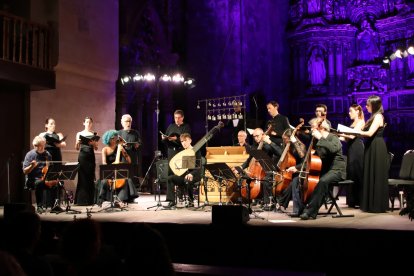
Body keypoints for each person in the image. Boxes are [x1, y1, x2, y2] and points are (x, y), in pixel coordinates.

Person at [299, 118, 346, 220]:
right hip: (326, 170)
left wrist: (320, 138)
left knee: (323, 181)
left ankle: (310, 211)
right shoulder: (317, 140)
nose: (311, 131)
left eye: (313, 128)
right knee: (301, 181)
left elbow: (333, 149)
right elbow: (316, 157)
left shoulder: (333, 137)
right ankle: (303, 208)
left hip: (337, 171)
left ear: (321, 128)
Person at [232, 128, 282, 210]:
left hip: (270, 170)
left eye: (257, 136)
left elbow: (280, 152)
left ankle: (268, 203)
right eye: (254, 136)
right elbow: (249, 159)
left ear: (263, 135)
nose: (255, 138)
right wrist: (240, 168)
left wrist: (269, 142)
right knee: (244, 177)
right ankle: (249, 200)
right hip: (259, 172)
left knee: (266, 179)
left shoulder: (269, 144)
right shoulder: (255, 146)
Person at [359, 95, 390, 213]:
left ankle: (377, 205)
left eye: (368, 105)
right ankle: (370, 204)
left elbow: (370, 133)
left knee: (376, 173)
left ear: (374, 105)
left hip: (377, 146)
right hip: (371, 146)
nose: (366, 107)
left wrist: (355, 132)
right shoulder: (372, 117)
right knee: (370, 172)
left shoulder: (378, 117)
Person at [97, 130, 138, 205]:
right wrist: (108, 167)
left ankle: (122, 199)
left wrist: (123, 151)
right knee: (103, 181)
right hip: (110, 170)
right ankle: (101, 199)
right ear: (108, 139)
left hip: (119, 171)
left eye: (115, 138)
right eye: (112, 138)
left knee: (127, 179)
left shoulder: (119, 147)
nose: (114, 140)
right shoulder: (105, 149)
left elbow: (129, 161)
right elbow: (104, 162)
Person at [164, 133, 201, 208]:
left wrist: (192, 174)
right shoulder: (182, 152)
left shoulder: (196, 151)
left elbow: (198, 167)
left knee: (187, 179)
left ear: (190, 140)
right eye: (182, 141)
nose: (183, 143)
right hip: (183, 175)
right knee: (170, 178)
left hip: (194, 175)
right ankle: (171, 202)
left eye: (185, 141)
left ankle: (191, 201)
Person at [338, 104, 365, 208]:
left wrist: (340, 133)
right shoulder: (352, 123)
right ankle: (352, 200)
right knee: (351, 172)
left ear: (357, 111)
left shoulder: (361, 122)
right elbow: (346, 139)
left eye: (351, 111)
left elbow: (352, 136)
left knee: (357, 172)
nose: (349, 113)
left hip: (357, 148)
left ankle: (359, 200)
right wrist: (335, 135)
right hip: (351, 148)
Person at [23, 136, 58, 213]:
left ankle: (54, 206)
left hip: (45, 178)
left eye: (41, 145)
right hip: (32, 180)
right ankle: (39, 206)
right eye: (36, 146)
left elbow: (51, 169)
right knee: (39, 183)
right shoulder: (29, 155)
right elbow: (25, 171)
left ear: (44, 145)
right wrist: (32, 166)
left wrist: (52, 178)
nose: (38, 147)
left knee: (56, 183)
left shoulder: (47, 155)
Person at [276, 128, 306, 215]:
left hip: (302, 170)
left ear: (290, 138)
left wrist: (294, 142)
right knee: (290, 183)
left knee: (294, 183)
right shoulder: (289, 147)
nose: (284, 141)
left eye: (285, 139)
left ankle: (296, 209)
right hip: (294, 171)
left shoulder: (301, 145)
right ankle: (282, 203)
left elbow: (303, 158)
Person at [39, 117, 66, 208]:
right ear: (46, 125)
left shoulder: (58, 134)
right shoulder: (43, 134)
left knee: (57, 176)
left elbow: (64, 144)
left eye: (54, 123)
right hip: (47, 155)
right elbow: (39, 144)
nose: (53, 125)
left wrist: (56, 143)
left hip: (57, 155)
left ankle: (56, 202)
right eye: (51, 123)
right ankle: (47, 202)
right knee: (48, 177)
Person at [75, 116, 98, 206]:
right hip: (82, 156)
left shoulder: (94, 134)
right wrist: (77, 142)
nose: (88, 124)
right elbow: (76, 148)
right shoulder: (79, 133)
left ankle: (90, 200)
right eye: (87, 122)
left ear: (91, 124)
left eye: (90, 122)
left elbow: (96, 148)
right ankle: (81, 200)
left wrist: (93, 144)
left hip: (91, 156)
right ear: (83, 123)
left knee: (90, 176)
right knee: (82, 177)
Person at [118, 114, 142, 183]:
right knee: (123, 178)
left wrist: (137, 145)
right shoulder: (119, 133)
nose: (128, 123)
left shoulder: (135, 133)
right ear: (122, 122)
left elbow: (140, 144)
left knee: (131, 179)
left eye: (129, 121)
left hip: (133, 158)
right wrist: (121, 145)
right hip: (122, 159)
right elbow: (115, 145)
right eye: (126, 121)